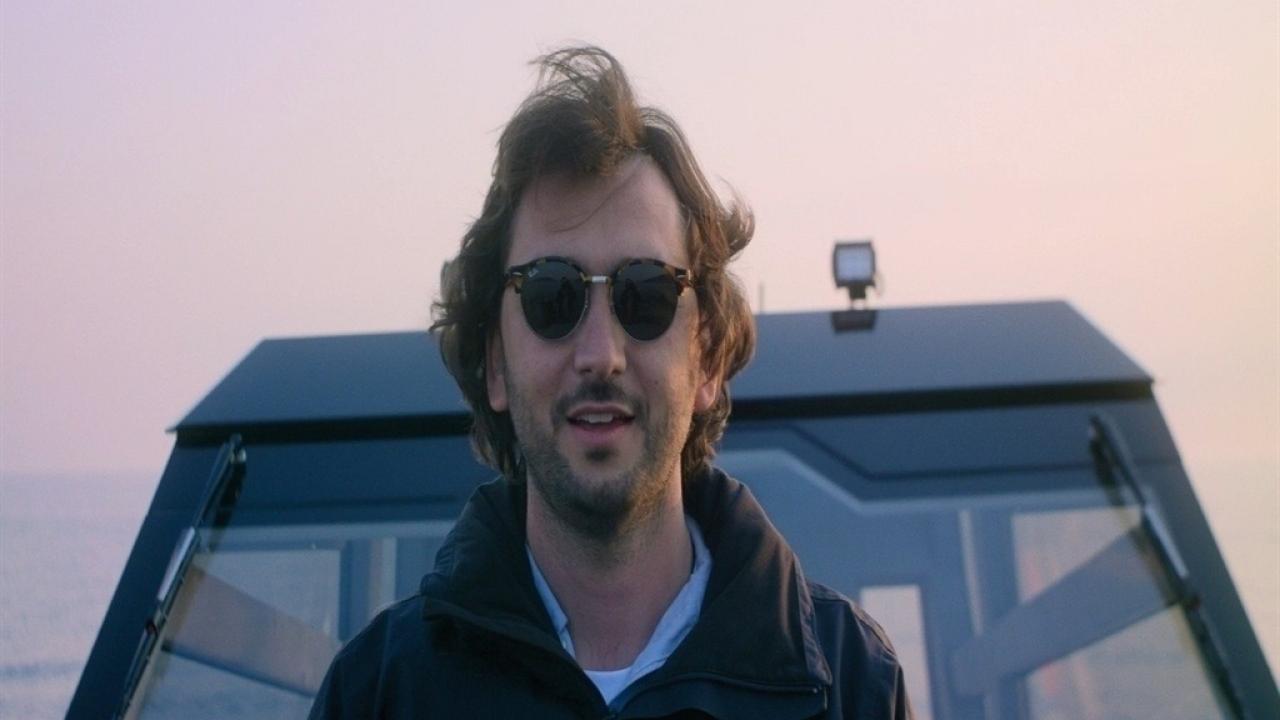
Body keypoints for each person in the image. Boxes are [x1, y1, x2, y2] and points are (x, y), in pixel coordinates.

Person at [309, 46, 912, 719]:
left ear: (708, 358)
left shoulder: (851, 687)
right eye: (552, 296)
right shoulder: (377, 696)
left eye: (646, 295)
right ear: (496, 364)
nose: (601, 354)